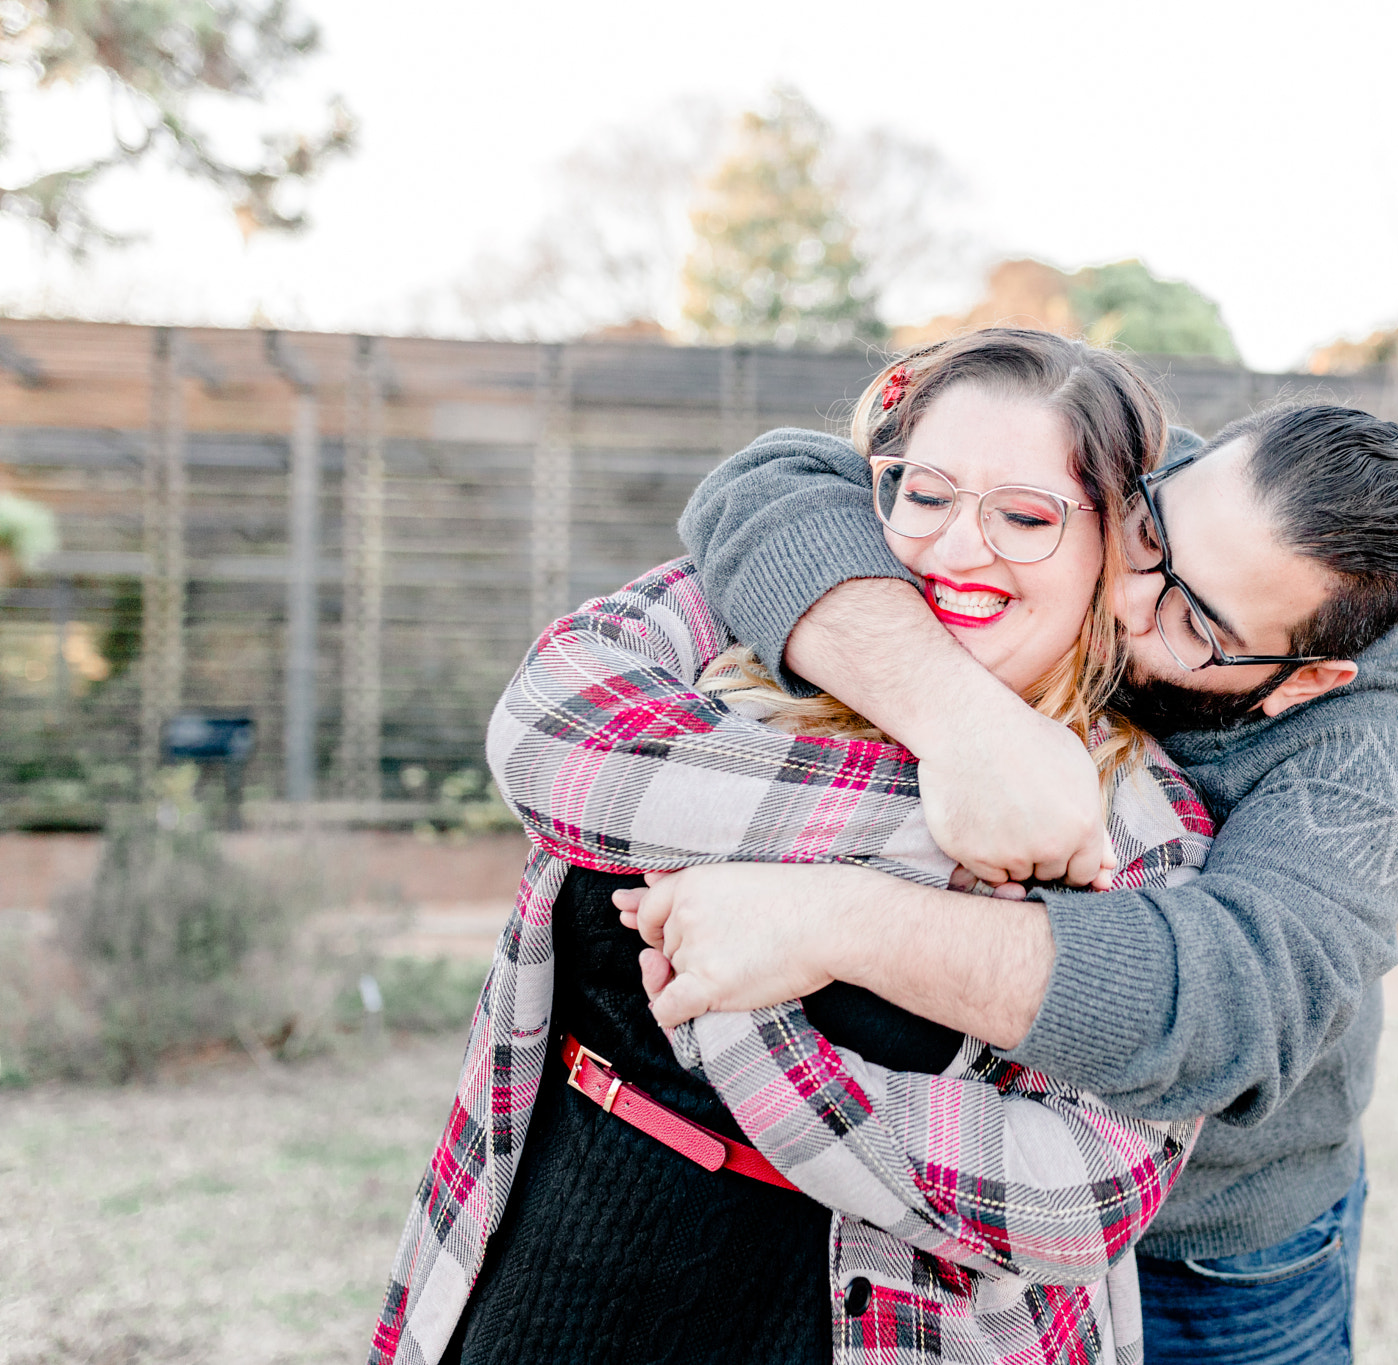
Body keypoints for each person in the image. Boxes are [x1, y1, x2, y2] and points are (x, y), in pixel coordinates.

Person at [370, 329, 1214, 1365]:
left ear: (1113, 548)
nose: (955, 549)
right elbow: (550, 733)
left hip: (882, 1332)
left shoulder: (1134, 817)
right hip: (549, 1277)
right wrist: (964, 797)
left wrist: (751, 1014)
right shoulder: (752, 612)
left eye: (1026, 517)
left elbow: (1087, 1189)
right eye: (927, 494)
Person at [625, 399, 1398, 1363]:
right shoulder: (1119, 459)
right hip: (949, 1199)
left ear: (1304, 680)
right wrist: (961, 724)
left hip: (1207, 1257)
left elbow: (1238, 1006)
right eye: (1147, 536)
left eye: (1190, 620)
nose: (1125, 598)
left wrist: (839, 923)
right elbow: (772, 482)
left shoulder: (1383, 749)